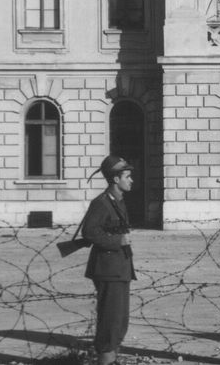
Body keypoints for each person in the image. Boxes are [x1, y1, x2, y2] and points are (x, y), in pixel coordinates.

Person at [81, 155, 136, 365]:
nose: (131, 181)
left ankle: (112, 359)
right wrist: (118, 240)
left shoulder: (118, 201)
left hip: (120, 268)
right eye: (127, 176)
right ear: (115, 179)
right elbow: (89, 233)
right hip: (108, 269)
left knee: (120, 321)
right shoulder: (102, 203)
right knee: (110, 323)